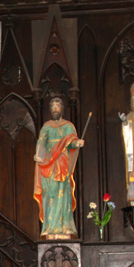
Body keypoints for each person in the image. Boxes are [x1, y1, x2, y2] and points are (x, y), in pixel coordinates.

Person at [33, 97, 85, 239]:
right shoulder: (47, 126)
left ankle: (64, 227)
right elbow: (42, 142)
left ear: (62, 109)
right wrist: (39, 155)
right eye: (53, 107)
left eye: (58, 106)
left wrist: (77, 143)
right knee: (49, 194)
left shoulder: (68, 126)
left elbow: (72, 141)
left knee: (63, 194)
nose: (55, 109)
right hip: (48, 165)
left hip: (62, 164)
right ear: (50, 110)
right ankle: (49, 227)